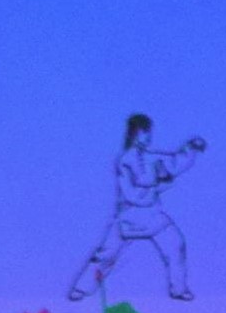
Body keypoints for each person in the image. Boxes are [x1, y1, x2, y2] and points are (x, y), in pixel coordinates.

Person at [69, 114, 206, 303]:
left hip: (152, 214)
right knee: (106, 255)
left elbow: (174, 162)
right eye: (144, 133)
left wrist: (191, 147)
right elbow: (132, 193)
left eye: (148, 132)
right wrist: (159, 183)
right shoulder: (125, 160)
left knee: (175, 245)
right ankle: (81, 289)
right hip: (130, 216)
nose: (148, 137)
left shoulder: (150, 157)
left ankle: (179, 289)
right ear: (134, 134)